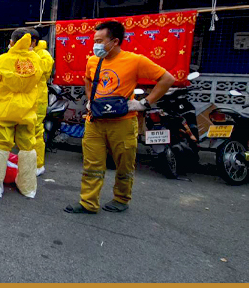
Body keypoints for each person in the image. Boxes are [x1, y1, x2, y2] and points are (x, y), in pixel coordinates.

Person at [65, 20, 175, 214]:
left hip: (123, 122)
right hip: (95, 121)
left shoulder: (135, 60)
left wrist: (144, 103)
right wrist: (90, 100)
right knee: (92, 164)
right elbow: (88, 80)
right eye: (94, 41)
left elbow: (167, 79)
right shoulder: (93, 60)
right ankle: (88, 202)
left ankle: (121, 199)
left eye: (99, 40)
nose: (95, 45)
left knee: (124, 163)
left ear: (114, 41)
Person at [0, 29, 43, 198]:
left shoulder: (3, 60)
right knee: (28, 146)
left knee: (2, 144)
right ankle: (27, 188)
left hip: (6, 108)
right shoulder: (36, 59)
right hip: (28, 109)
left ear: (12, 42)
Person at [32, 37, 55, 176]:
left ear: (33, 41)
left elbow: (40, 72)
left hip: (38, 98)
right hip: (28, 98)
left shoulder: (43, 54)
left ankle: (38, 164)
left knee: (36, 132)